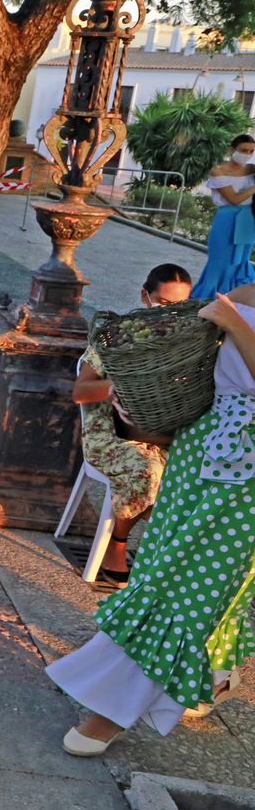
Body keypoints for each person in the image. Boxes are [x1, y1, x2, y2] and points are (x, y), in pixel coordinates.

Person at [48, 281, 255, 755]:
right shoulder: (246, 291)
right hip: (200, 447)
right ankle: (212, 676)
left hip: (245, 472)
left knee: (185, 585)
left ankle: (109, 713)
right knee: (171, 572)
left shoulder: (239, 306)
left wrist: (233, 325)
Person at [75, 263, 195, 582]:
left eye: (181, 304)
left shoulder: (191, 342)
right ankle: (118, 542)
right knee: (147, 471)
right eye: (165, 303)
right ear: (145, 296)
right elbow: (81, 390)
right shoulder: (117, 335)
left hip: (164, 431)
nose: (172, 312)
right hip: (110, 430)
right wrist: (117, 388)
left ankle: (162, 551)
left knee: (196, 473)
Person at [191, 134, 255, 299]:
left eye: (251, 151)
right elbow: (233, 199)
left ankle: (234, 298)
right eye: (243, 150)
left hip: (248, 220)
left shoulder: (251, 169)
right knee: (218, 262)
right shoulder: (218, 171)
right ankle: (208, 297)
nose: (247, 154)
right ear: (232, 149)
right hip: (226, 219)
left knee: (241, 261)